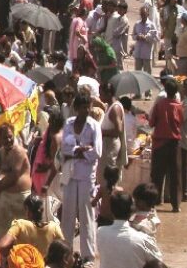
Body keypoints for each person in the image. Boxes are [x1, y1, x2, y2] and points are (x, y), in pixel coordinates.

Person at [61, 94, 101, 265]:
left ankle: (88, 256)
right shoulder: (69, 123)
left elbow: (96, 152)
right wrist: (80, 149)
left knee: (86, 216)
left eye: (88, 107)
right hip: (70, 175)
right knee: (67, 215)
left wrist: (78, 151)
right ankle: (65, 252)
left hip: (86, 177)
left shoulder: (94, 126)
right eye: (83, 107)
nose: (86, 110)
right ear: (76, 108)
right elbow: (64, 148)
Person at [0, 123, 31, 240]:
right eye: (5, 137)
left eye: (10, 136)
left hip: (20, 198)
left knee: (21, 231)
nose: (8, 140)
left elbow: (14, 175)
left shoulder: (18, 152)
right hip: (7, 196)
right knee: (3, 229)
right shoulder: (2, 152)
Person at [96, 192, 163, 268]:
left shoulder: (100, 232)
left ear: (111, 211)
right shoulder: (143, 238)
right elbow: (158, 263)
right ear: (132, 211)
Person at [150, 77, 183, 212]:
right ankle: (176, 206)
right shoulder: (179, 107)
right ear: (176, 92)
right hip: (174, 144)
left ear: (165, 90)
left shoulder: (159, 104)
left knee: (157, 175)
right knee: (175, 176)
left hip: (160, 144)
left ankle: (153, 203)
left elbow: (152, 122)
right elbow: (180, 123)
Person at [0, 194, 63, 258]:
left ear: (28, 211)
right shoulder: (54, 227)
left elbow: (3, 246)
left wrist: (12, 255)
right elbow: (64, 250)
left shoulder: (20, 224)